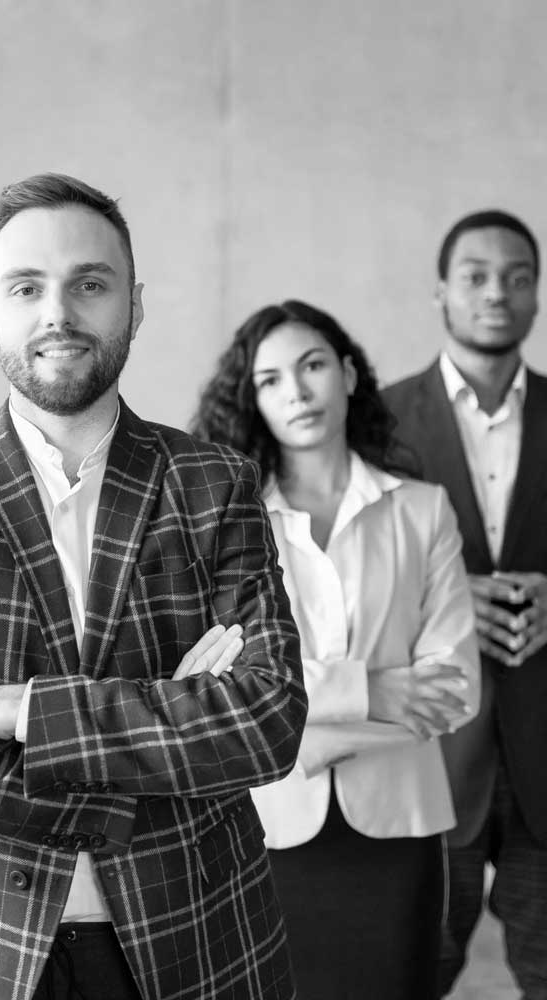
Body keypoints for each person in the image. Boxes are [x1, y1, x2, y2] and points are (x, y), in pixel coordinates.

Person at [0, 172, 307, 1000]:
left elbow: (266, 722)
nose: (58, 312)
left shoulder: (213, 481)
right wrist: (126, 767)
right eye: (27, 288)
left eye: (90, 284)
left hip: (192, 930)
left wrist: (14, 709)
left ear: (133, 303)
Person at [191, 299, 480, 999]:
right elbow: (221, 680)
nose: (296, 390)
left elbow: (454, 687)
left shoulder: (422, 510)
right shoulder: (230, 523)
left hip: (397, 831)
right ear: (253, 401)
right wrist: (372, 690)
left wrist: (304, 734)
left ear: (347, 374)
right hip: (265, 828)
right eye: (270, 379)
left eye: (313, 365)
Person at [384, 210, 547, 999]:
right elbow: (335, 584)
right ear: (440, 293)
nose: (498, 294)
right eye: (477, 277)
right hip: (430, 754)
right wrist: (445, 599)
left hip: (546, 757)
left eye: (519, 278)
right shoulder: (376, 425)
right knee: (412, 975)